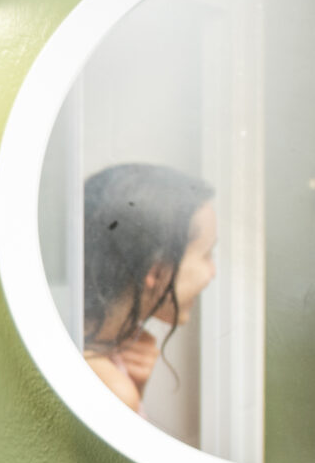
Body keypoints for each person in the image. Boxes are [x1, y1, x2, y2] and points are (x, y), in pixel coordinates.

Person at [80, 162, 217, 413]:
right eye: (206, 254)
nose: (212, 272)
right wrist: (126, 398)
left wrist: (134, 388)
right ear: (157, 271)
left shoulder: (94, 355)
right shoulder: (112, 392)